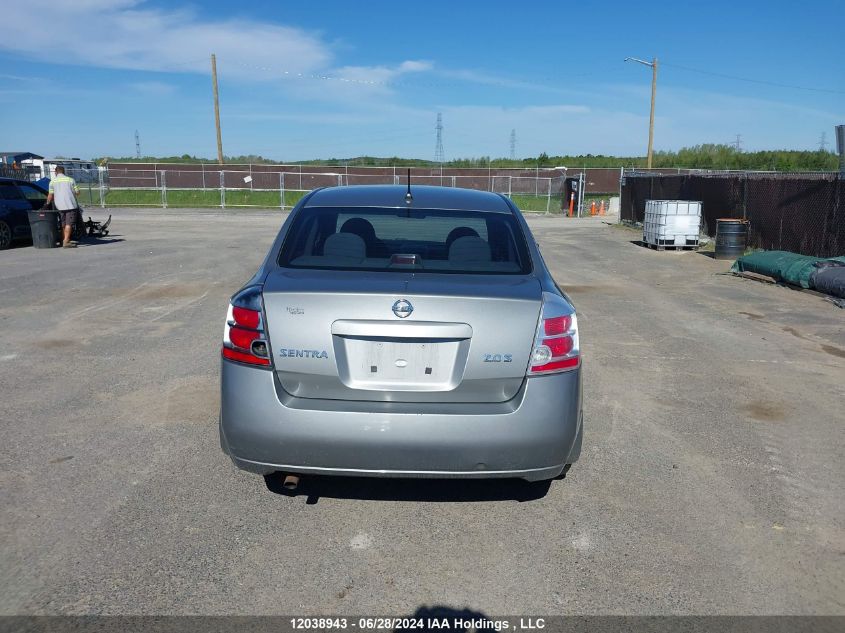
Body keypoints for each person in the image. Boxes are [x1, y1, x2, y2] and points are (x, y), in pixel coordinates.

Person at [45, 166, 80, 248]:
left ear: (55, 172)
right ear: (64, 172)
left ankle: (64, 239)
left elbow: (50, 195)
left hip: (59, 206)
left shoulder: (52, 182)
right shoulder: (70, 180)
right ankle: (66, 241)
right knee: (69, 223)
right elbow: (78, 192)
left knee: (63, 223)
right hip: (70, 205)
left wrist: (46, 204)